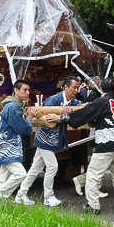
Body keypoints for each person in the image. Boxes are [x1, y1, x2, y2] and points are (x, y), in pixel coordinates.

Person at [68, 78, 114, 214]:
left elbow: (86, 112)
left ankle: (93, 205)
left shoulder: (102, 101)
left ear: (101, 89)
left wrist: (66, 118)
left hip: (108, 140)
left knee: (94, 174)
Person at [16, 76, 82, 207]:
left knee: (35, 168)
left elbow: (82, 108)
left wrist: (64, 115)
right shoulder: (53, 100)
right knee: (52, 166)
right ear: (65, 87)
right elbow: (42, 115)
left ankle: (21, 194)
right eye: (74, 87)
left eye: (77, 88)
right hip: (45, 138)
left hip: (53, 139)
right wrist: (59, 116)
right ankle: (48, 196)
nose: (76, 90)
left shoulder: (73, 102)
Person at [0, 80, 35, 201]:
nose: (28, 92)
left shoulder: (12, 106)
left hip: (5, 145)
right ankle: (1, 195)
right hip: (7, 146)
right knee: (21, 174)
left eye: (28, 90)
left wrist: (24, 117)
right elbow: (23, 128)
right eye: (25, 90)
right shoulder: (13, 107)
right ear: (16, 90)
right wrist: (29, 118)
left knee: (3, 176)